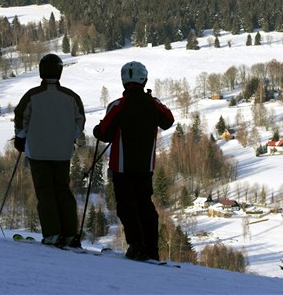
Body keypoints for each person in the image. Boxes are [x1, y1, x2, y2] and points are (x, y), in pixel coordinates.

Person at [93, 61, 174, 261]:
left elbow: (103, 133)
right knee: (145, 206)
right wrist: (152, 101)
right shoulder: (153, 104)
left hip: (121, 167)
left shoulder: (118, 105)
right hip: (145, 167)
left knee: (126, 207)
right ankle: (151, 249)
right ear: (144, 79)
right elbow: (168, 120)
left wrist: (97, 129)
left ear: (123, 81)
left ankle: (136, 246)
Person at [14, 53, 86, 248]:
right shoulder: (71, 97)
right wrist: (70, 137)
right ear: (60, 71)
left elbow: (21, 118)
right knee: (63, 190)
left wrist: (20, 138)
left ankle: (53, 234)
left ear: (41, 71)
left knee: (45, 192)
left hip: (37, 151)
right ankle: (70, 234)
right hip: (62, 152)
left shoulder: (32, 95)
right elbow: (80, 121)